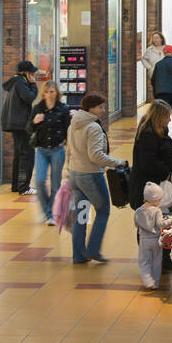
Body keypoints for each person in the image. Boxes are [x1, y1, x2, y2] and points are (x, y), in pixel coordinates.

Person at [65, 93, 127, 265]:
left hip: (75, 176)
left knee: (81, 215)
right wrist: (117, 162)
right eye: (100, 107)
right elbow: (96, 156)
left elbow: (68, 151)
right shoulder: (93, 127)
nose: (103, 110)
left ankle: (78, 255)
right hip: (91, 176)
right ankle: (93, 249)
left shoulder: (73, 125)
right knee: (103, 211)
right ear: (90, 108)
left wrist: (67, 172)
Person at [130, 100, 172, 273]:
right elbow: (148, 163)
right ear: (159, 116)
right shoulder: (148, 135)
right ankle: (151, 261)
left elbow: (168, 155)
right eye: (168, 116)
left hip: (160, 187)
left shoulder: (159, 131)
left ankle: (163, 259)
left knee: (161, 224)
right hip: (149, 188)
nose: (170, 120)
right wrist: (168, 174)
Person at [28, 81, 71, 225]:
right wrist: (34, 122)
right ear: (43, 93)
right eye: (47, 92)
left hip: (57, 150)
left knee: (55, 184)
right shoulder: (37, 108)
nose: (49, 95)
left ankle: (51, 213)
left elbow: (68, 132)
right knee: (39, 181)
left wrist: (70, 152)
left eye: (52, 92)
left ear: (57, 93)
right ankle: (46, 209)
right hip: (41, 150)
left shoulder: (63, 109)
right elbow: (28, 129)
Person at [2, 61, 39, 193]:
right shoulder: (21, 82)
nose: (33, 75)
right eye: (31, 73)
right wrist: (33, 85)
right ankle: (24, 187)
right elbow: (29, 97)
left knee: (19, 154)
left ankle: (16, 185)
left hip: (15, 123)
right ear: (24, 73)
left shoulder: (15, 82)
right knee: (27, 155)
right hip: (21, 124)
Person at [135, 182, 172, 291]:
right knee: (157, 262)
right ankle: (155, 283)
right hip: (156, 240)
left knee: (144, 261)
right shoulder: (157, 211)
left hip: (143, 240)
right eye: (159, 199)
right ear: (154, 199)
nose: (160, 201)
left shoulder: (138, 211)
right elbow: (161, 224)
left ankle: (148, 281)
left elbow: (136, 225)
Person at [150, 45, 172, 139]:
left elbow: (153, 80)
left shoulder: (158, 64)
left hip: (161, 93)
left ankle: (162, 132)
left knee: (162, 113)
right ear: (171, 52)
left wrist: (155, 93)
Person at [139, 31, 166, 98]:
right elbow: (143, 59)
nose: (155, 40)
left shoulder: (166, 48)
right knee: (156, 92)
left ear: (161, 39)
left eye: (157, 38)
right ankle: (158, 105)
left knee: (165, 92)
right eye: (153, 38)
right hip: (154, 74)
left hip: (166, 74)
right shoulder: (150, 49)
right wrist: (149, 68)